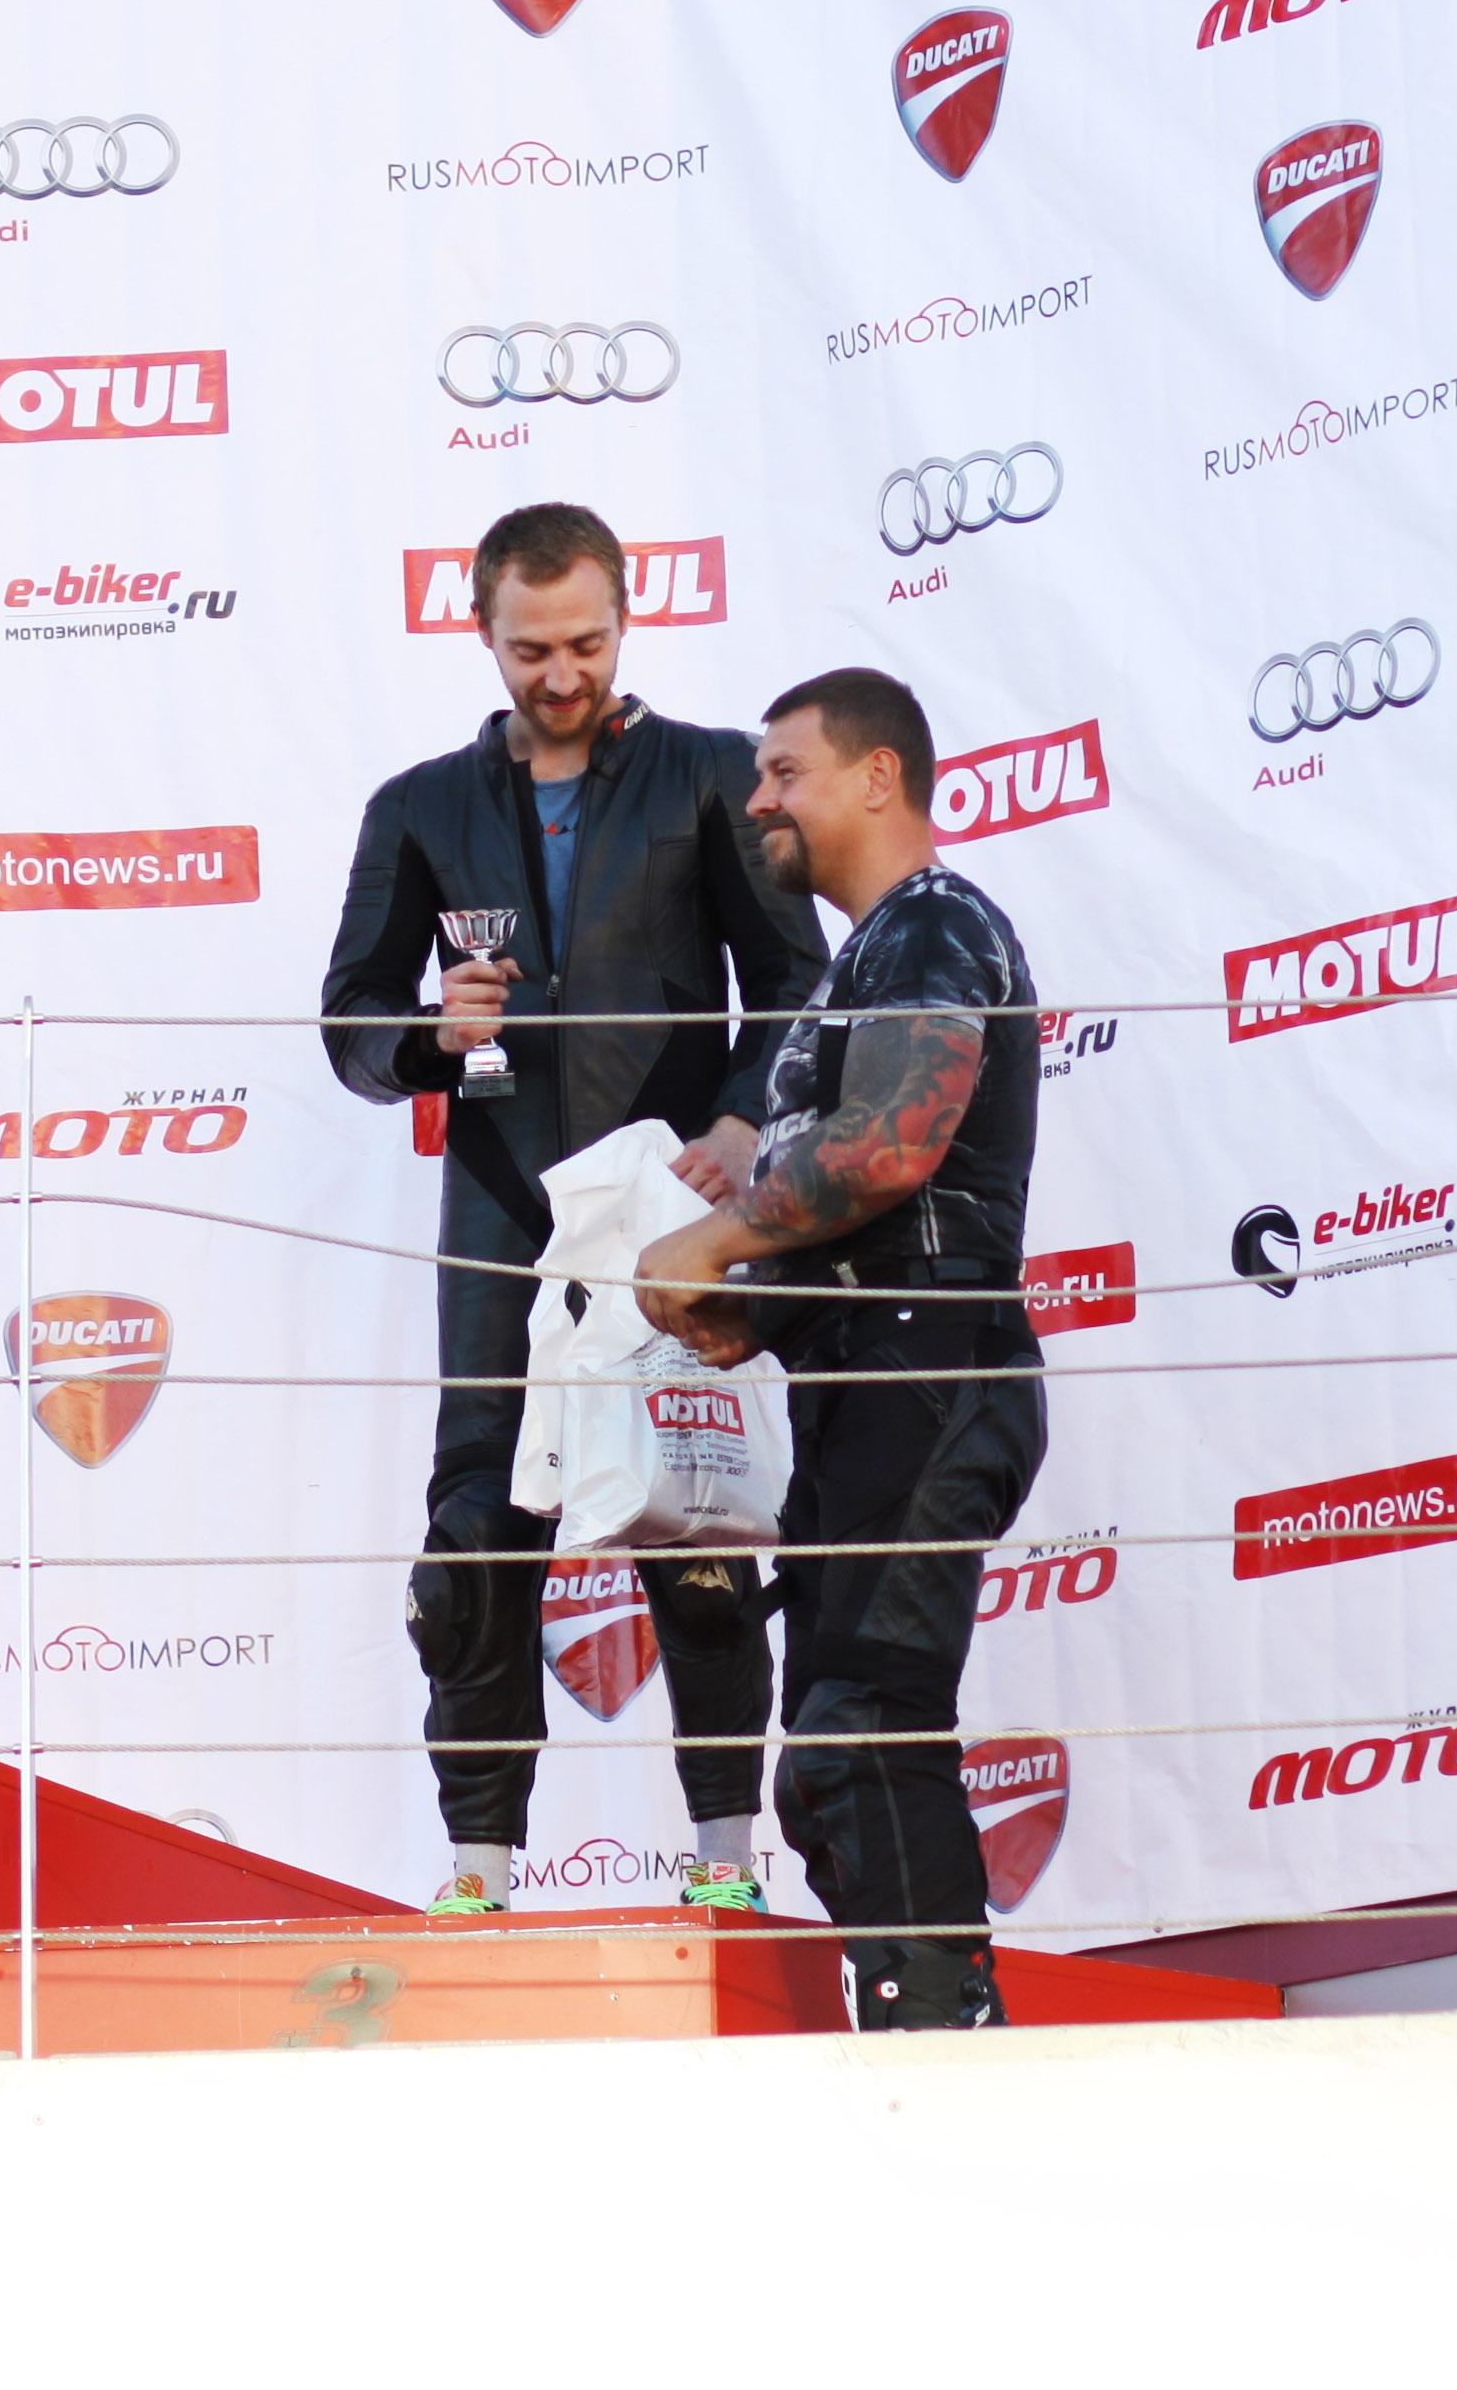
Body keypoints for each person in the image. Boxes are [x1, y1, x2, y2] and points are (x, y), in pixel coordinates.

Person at [321, 503, 829, 1916]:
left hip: (675, 1213)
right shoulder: (418, 806)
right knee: (477, 1543)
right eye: (532, 649)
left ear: (626, 618)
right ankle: (479, 1875)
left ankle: (725, 1868)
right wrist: (431, 1034)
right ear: (481, 632)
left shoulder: (713, 773)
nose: (563, 674)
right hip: (500, 1221)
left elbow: (798, 984)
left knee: (700, 1524)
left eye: (587, 644)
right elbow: (349, 1021)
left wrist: (740, 1125)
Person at [637, 667, 1044, 2030]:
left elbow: (892, 1148)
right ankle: (915, 2021)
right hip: (866, 1375)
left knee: (862, 1725)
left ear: (878, 777)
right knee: (821, 1762)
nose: (759, 800)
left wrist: (716, 1242)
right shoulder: (853, 969)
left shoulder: (934, 922)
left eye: (784, 773)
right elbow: (865, 1203)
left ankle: (951, 2046)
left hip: (934, 1367)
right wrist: (747, 1309)